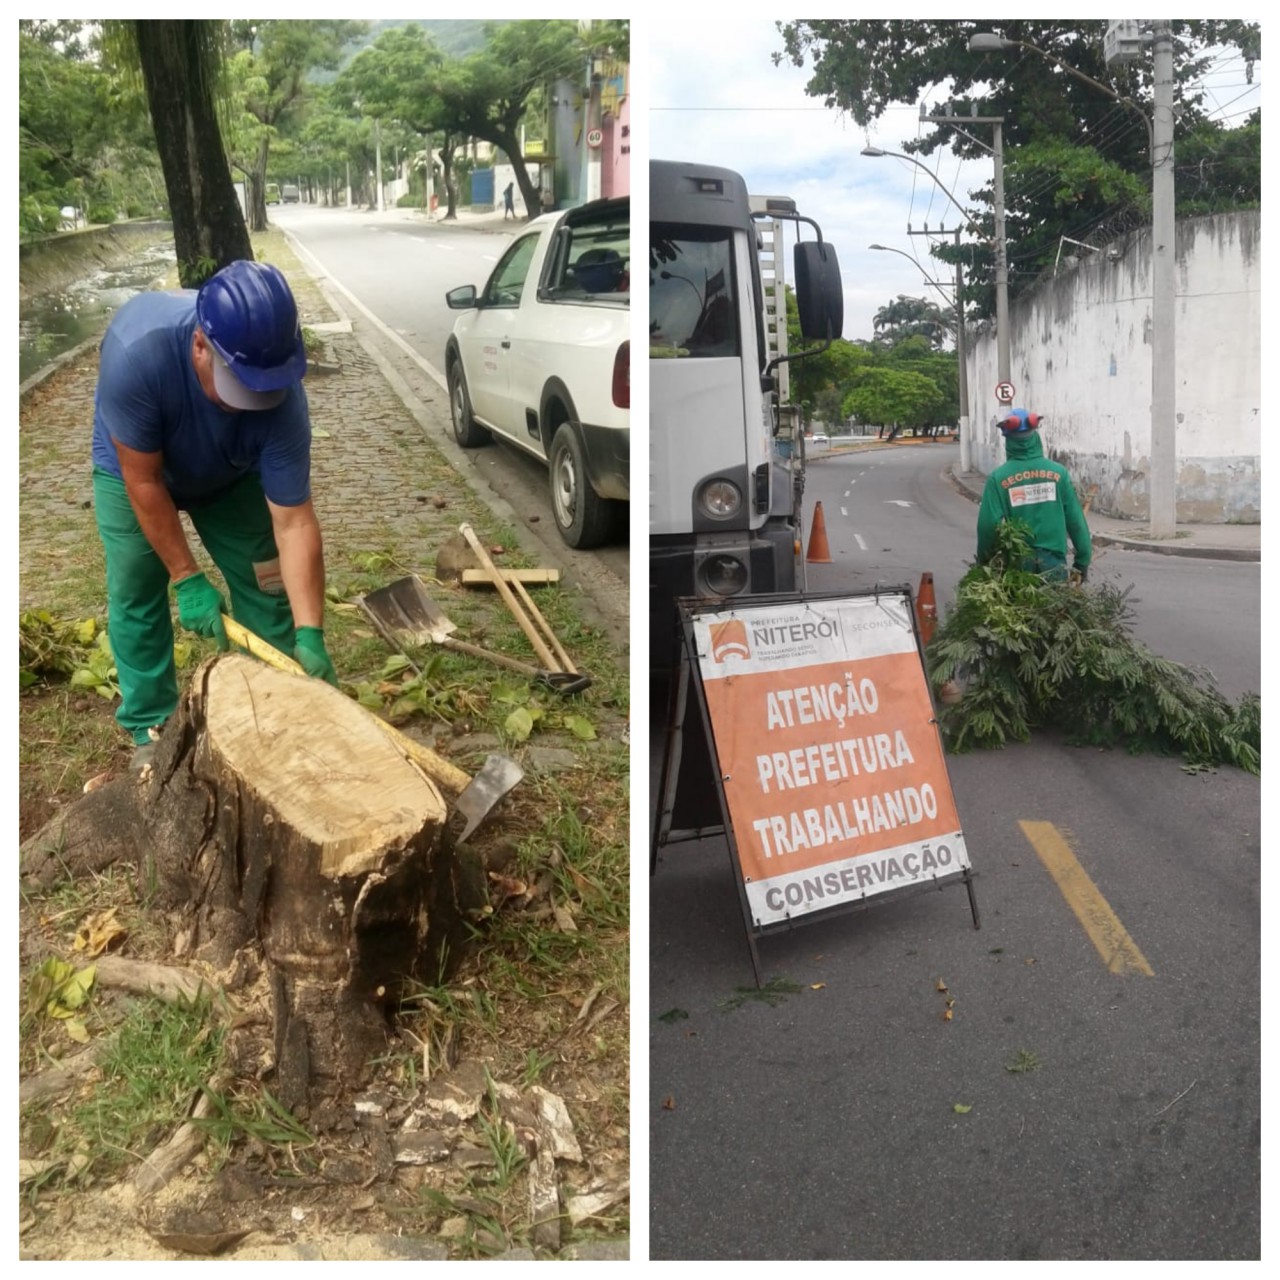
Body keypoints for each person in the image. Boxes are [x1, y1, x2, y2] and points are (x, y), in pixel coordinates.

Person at [91, 259, 339, 769]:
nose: (253, 402)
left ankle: (277, 705)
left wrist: (310, 629)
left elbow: (293, 522)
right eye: (239, 388)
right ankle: (150, 726)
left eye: (262, 390)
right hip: (135, 469)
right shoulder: (139, 354)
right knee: (137, 584)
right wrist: (186, 576)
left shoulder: (282, 400)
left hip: (229, 473)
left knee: (266, 581)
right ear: (201, 346)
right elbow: (143, 481)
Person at [975, 407, 1092, 582]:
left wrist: (984, 562)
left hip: (1017, 566)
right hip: (1054, 565)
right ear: (1035, 436)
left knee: (1018, 608)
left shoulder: (998, 479)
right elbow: (1076, 521)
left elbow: (987, 527)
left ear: (1007, 440)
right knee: (1055, 609)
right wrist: (1082, 561)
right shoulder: (1059, 474)